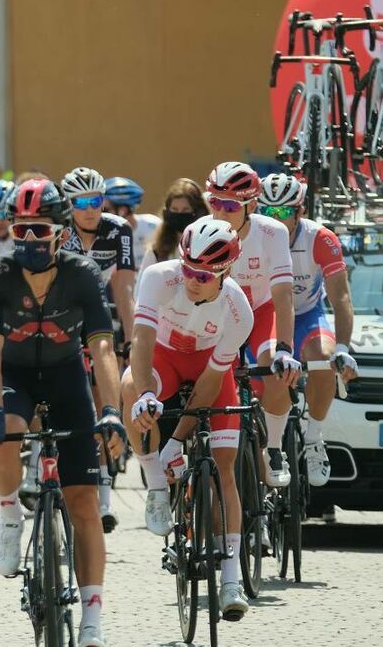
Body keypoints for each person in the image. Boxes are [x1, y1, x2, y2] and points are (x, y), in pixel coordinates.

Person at [0, 178, 125, 647]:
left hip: (65, 378)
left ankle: (93, 620)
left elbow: (102, 346)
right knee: (5, 436)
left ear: (60, 232)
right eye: (20, 229)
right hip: (15, 375)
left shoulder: (82, 275)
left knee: (83, 501)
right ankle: (10, 515)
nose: (29, 240)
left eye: (38, 229)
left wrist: (111, 411)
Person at [123, 217, 253, 619]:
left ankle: (231, 578)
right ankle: (157, 484)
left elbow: (212, 382)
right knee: (128, 386)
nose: (191, 279)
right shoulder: (160, 278)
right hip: (164, 357)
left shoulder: (238, 311)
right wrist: (146, 395)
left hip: (209, 370)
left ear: (225, 271)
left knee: (225, 470)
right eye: (187, 267)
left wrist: (177, 439)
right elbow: (141, 342)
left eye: (202, 274)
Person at [257, 173, 357, 485]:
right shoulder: (251, 236)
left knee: (324, 358)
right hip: (267, 316)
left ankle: (314, 440)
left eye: (283, 212)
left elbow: (340, 296)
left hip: (306, 315)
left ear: (300, 211)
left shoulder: (320, 238)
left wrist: (343, 347)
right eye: (267, 212)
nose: (275, 220)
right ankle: (271, 446)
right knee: (274, 368)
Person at [205, 161, 301, 487]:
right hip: (222, 318)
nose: (220, 212)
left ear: (252, 205)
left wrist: (286, 348)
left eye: (230, 205)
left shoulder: (271, 232)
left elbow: (284, 293)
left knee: (273, 364)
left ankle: (273, 446)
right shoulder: (202, 231)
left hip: (262, 311)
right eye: (214, 202)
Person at [59, 167, 137, 531]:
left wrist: (133, 340)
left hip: (99, 309)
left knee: (100, 399)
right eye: (81, 202)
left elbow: (123, 289)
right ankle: (36, 469)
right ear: (68, 204)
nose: (90, 209)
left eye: (96, 201)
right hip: (63, 310)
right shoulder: (59, 230)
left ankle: (104, 494)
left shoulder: (118, 229)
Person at [139, 178, 209, 272]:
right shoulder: (157, 251)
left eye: (186, 210)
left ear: (200, 213)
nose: (179, 214)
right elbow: (143, 284)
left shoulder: (211, 247)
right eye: (174, 210)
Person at [103, 176, 160, 259]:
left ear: (123, 210)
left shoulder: (154, 226)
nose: (101, 214)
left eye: (105, 210)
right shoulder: (99, 233)